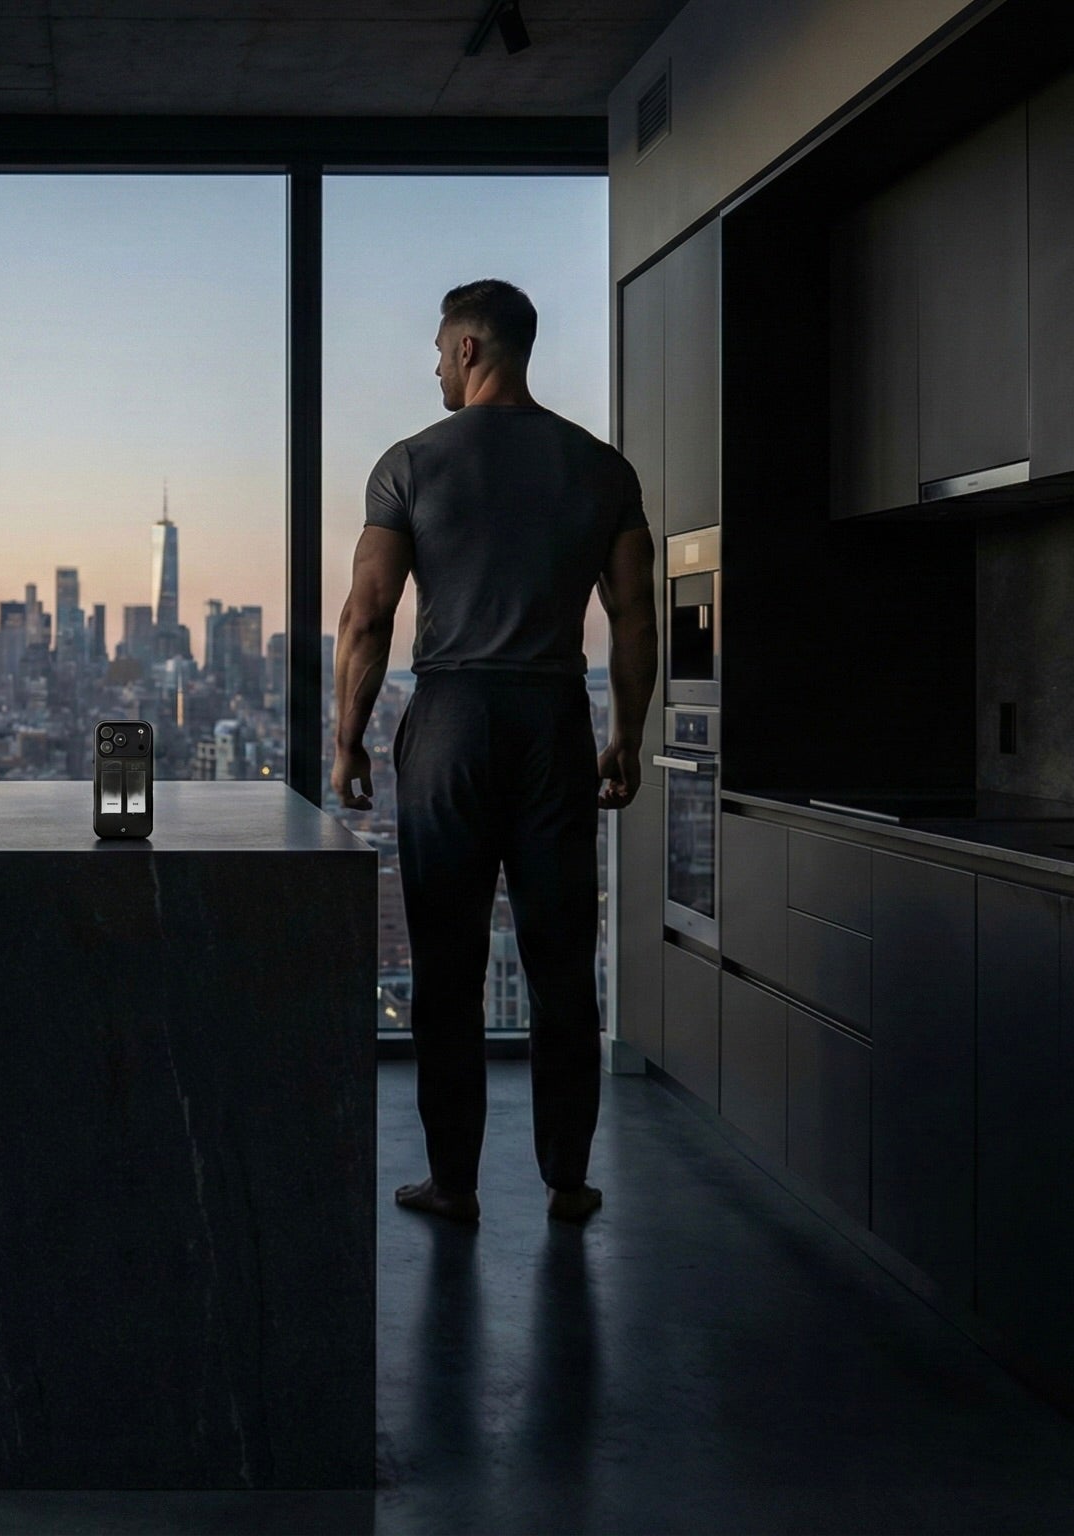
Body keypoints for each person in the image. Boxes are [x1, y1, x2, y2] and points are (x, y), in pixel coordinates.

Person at [332, 278, 659, 1226]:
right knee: (563, 961)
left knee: (447, 962)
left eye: (439, 349)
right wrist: (624, 734)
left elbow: (366, 615)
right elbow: (632, 618)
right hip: (556, 720)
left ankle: (455, 1182)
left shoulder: (411, 463)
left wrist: (348, 739)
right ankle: (568, 1179)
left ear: (471, 349)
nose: (434, 366)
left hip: (452, 723)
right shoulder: (602, 469)